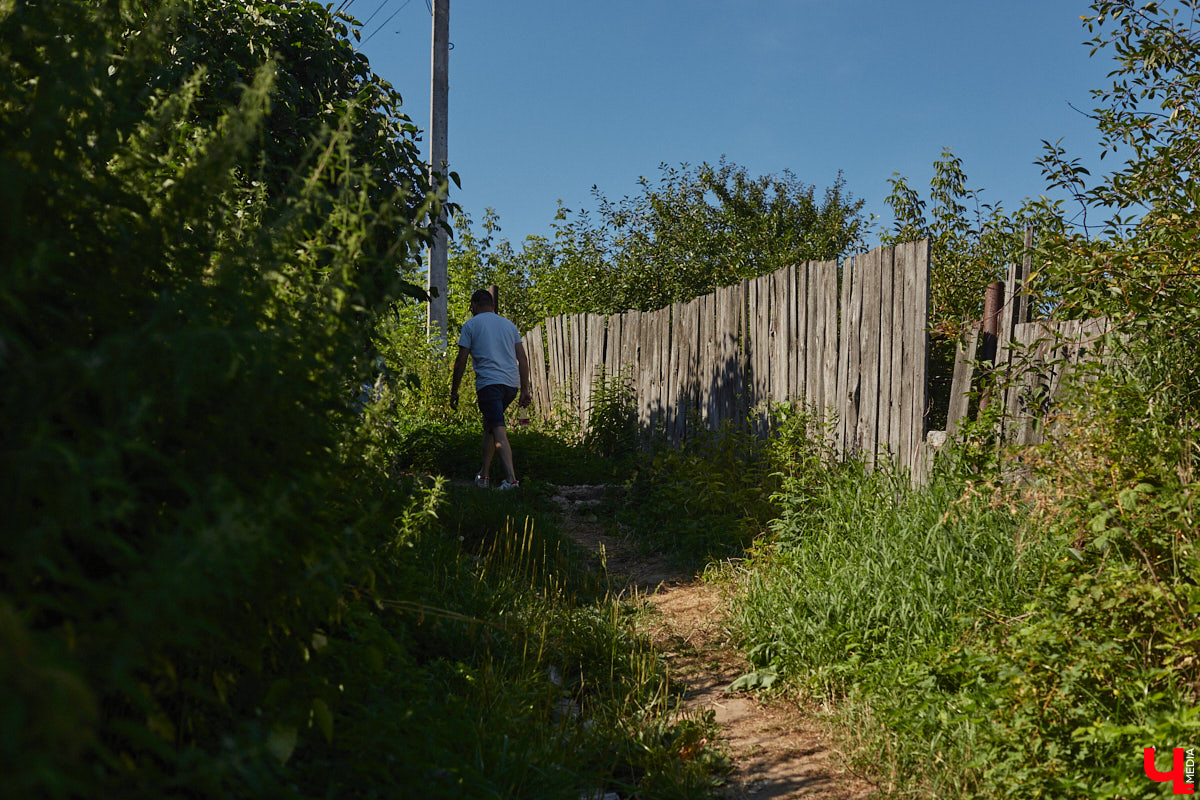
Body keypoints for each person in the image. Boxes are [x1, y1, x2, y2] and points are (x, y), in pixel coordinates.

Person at [450, 289, 531, 490]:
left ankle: (512, 480)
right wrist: (525, 389)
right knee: (491, 427)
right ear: (493, 306)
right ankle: (484, 476)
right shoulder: (509, 325)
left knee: (498, 430)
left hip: (489, 385)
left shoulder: (470, 325)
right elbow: (522, 358)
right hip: (510, 386)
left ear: (474, 305)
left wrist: (454, 390)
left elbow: (461, 360)